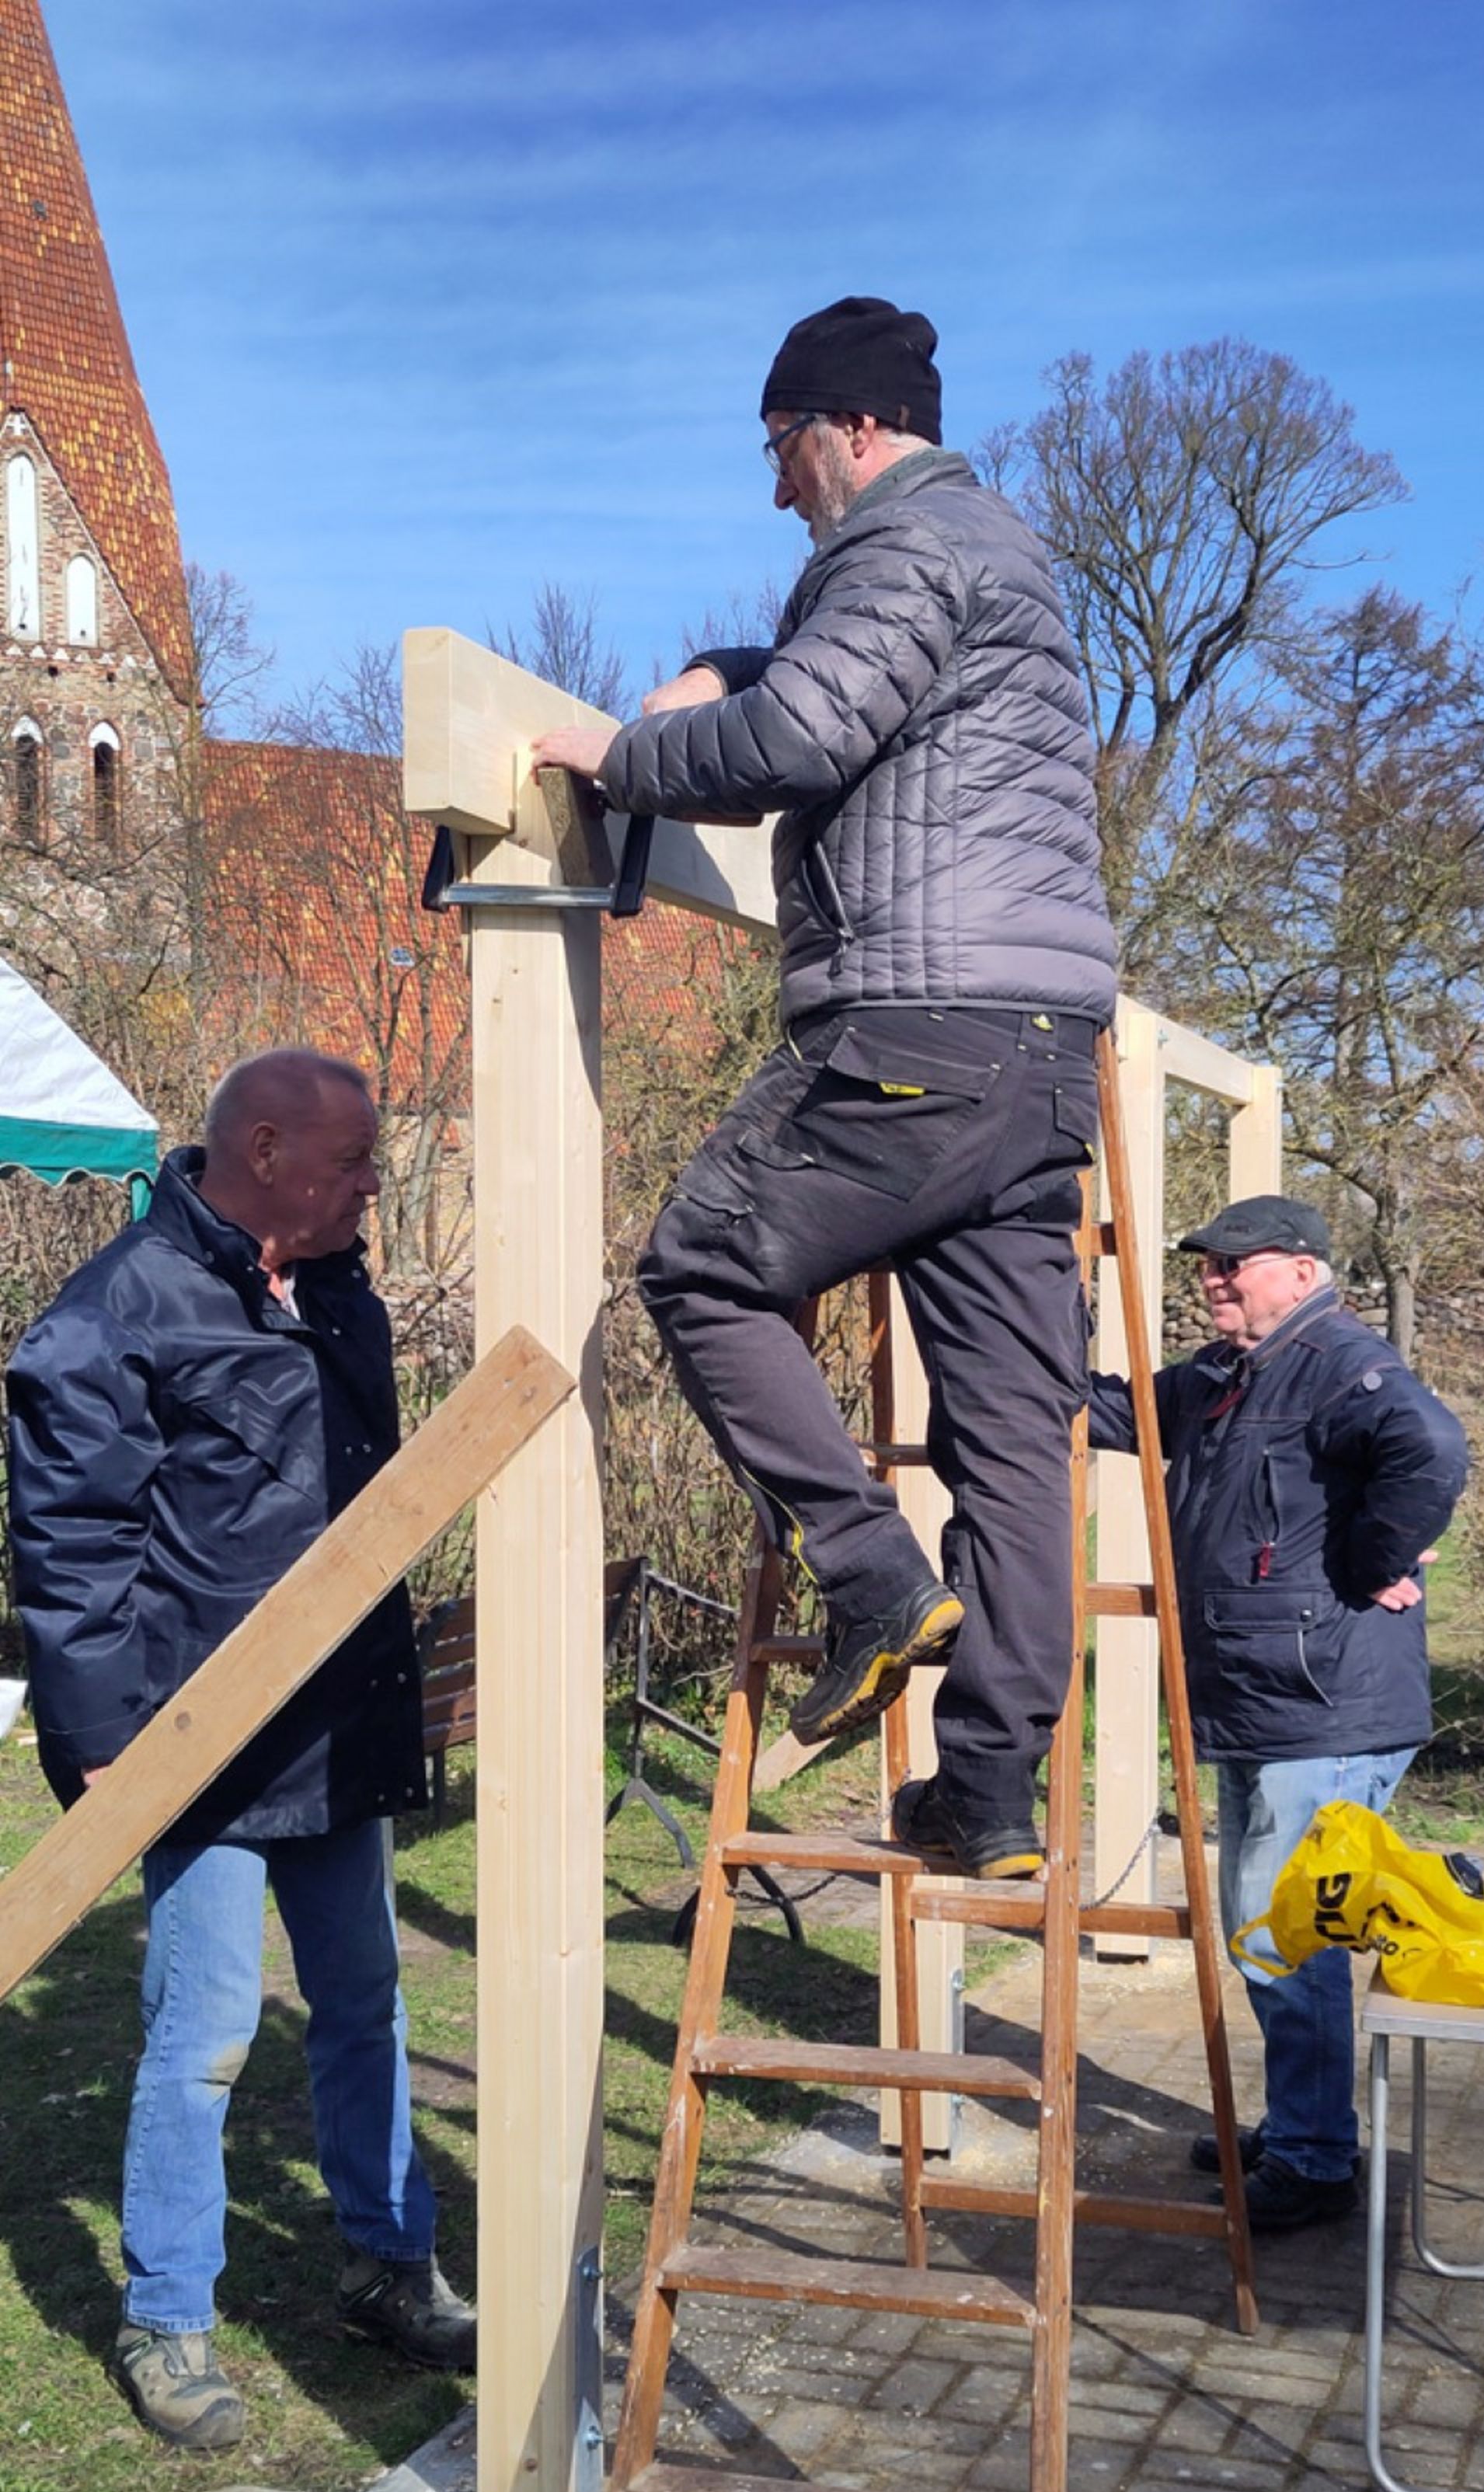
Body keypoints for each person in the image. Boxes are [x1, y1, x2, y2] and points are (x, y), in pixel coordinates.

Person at [533, 295, 1116, 1880]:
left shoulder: (898, 541)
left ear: (852, 428)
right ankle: (987, 1791)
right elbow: (848, 689)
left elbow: (796, 737)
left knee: (701, 1266)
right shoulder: (999, 553)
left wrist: (610, 757)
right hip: (1041, 1063)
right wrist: (724, 663)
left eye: (783, 445)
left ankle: (867, 1572)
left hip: (918, 1031)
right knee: (1014, 1439)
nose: (778, 483)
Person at [6, 1049, 474, 2452]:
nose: (376, 1184)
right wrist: (105, 1743)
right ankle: (167, 2319)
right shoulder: (117, 1311)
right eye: (354, 1161)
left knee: (366, 2006)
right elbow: (70, 1542)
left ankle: (390, 2269)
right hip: (198, 1743)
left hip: (336, 1727)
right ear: (262, 1152)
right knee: (205, 2030)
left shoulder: (336, 1290)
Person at [1089, 1197, 1468, 2232]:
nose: (1213, 1278)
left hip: (1328, 1706)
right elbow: (1118, 1414)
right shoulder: (1226, 1374)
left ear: (1303, 1270)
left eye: (1234, 1263)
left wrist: (1375, 1559)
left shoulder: (1339, 1362)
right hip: (1266, 1700)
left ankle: (1313, 2160)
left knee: (1284, 1929)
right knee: (1263, 1923)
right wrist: (1023, 1336)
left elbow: (1431, 1448)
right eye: (1206, 1265)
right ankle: (1307, 2122)